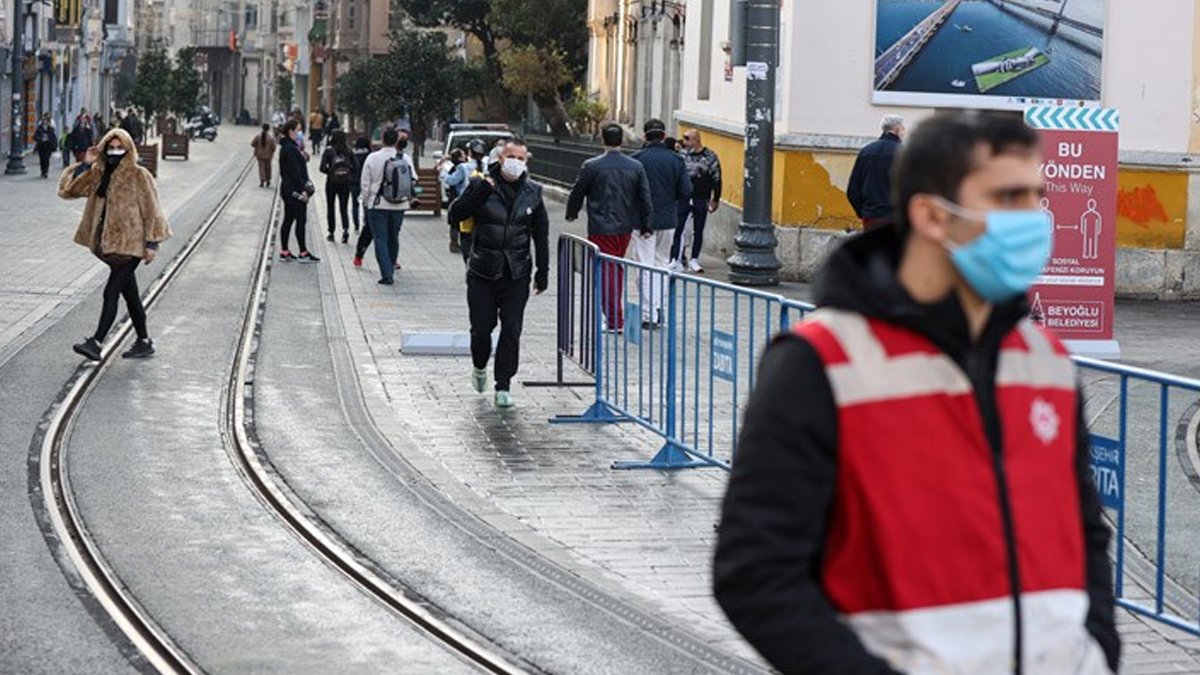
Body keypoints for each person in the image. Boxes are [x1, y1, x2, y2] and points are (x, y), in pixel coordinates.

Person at [713, 111, 1119, 675]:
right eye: (1008, 197)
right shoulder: (820, 363)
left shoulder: (1044, 358)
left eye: (1037, 195)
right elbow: (755, 572)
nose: (1035, 218)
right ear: (931, 215)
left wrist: (1098, 650)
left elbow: (1084, 528)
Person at [447, 139, 550, 408]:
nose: (516, 161)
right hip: (483, 270)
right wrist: (478, 192)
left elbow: (541, 234)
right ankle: (479, 366)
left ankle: (503, 385)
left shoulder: (534, 192)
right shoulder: (482, 185)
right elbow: (455, 214)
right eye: (511, 156)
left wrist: (543, 271)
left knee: (512, 329)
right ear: (500, 159)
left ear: (526, 161)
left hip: (516, 272)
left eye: (521, 157)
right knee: (482, 329)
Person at [58, 128, 171, 361]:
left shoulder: (139, 175)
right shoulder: (98, 173)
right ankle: (144, 341)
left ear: (128, 149)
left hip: (131, 246)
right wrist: (85, 165)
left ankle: (96, 342)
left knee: (111, 292)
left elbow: (153, 210)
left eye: (120, 147)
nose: (115, 151)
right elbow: (70, 191)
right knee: (131, 296)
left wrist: (151, 243)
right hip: (108, 247)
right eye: (111, 147)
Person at [565, 123, 653, 332]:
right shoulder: (635, 166)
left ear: (602, 140)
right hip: (624, 225)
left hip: (601, 224)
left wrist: (572, 213)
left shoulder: (592, 166)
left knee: (607, 269)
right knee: (614, 266)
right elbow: (645, 197)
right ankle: (613, 315)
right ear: (621, 140)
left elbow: (578, 192)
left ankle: (614, 318)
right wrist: (647, 224)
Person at [632, 119, 691, 328]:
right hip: (667, 219)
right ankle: (658, 308)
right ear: (664, 136)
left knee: (644, 266)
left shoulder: (636, 160)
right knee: (661, 264)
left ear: (645, 136)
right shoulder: (676, 161)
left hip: (642, 221)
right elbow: (686, 191)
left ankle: (649, 314)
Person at [359, 127, 418, 284]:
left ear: (383, 140)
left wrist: (366, 201)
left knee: (380, 239)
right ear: (396, 141)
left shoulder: (372, 158)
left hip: (377, 205)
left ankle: (387, 274)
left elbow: (365, 184)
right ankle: (391, 265)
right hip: (399, 205)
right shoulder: (404, 158)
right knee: (394, 237)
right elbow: (413, 180)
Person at [671, 129, 722, 273]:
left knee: (698, 229)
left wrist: (715, 199)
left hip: (701, 197)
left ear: (696, 140)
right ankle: (676, 258)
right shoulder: (681, 156)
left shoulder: (710, 156)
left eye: (687, 139)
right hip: (684, 198)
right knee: (679, 228)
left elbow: (717, 178)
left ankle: (694, 259)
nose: (684, 142)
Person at [847, 114, 906, 229]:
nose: (904, 133)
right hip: (896, 217)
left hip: (871, 216)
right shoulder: (904, 153)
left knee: (873, 247)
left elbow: (853, 190)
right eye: (903, 129)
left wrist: (863, 213)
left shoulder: (866, 151)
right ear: (897, 129)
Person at [277, 119, 319, 263]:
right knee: (300, 219)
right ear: (290, 131)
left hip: (288, 189)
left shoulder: (288, 147)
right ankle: (302, 252)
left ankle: (285, 251)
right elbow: (295, 173)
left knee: (288, 219)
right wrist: (304, 190)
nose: (300, 134)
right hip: (294, 190)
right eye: (298, 131)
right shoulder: (290, 149)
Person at [319, 129, 356, 243]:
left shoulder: (329, 151)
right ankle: (345, 230)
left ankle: (331, 232)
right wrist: (348, 174)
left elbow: (322, 168)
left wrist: (331, 172)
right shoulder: (349, 151)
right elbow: (356, 167)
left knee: (331, 207)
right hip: (345, 183)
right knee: (343, 207)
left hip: (331, 183)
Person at [350, 135, 370, 233]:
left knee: (355, 203)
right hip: (366, 181)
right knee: (366, 202)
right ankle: (366, 222)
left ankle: (356, 224)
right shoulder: (369, 155)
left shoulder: (352, 154)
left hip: (354, 181)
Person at [250, 123, 277, 188]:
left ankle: (262, 180)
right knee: (268, 168)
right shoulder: (271, 138)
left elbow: (252, 144)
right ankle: (268, 180)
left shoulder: (258, 136)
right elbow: (274, 147)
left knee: (261, 168)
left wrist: (257, 147)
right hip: (268, 156)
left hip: (260, 155)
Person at [33, 113, 58, 178]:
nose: (45, 123)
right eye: (44, 121)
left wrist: (53, 145)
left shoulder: (50, 129)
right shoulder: (39, 129)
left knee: (47, 159)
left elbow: (53, 138)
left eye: (46, 121)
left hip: (48, 147)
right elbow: (35, 136)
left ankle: (45, 172)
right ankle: (42, 171)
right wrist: (41, 139)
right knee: (42, 159)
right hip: (41, 146)